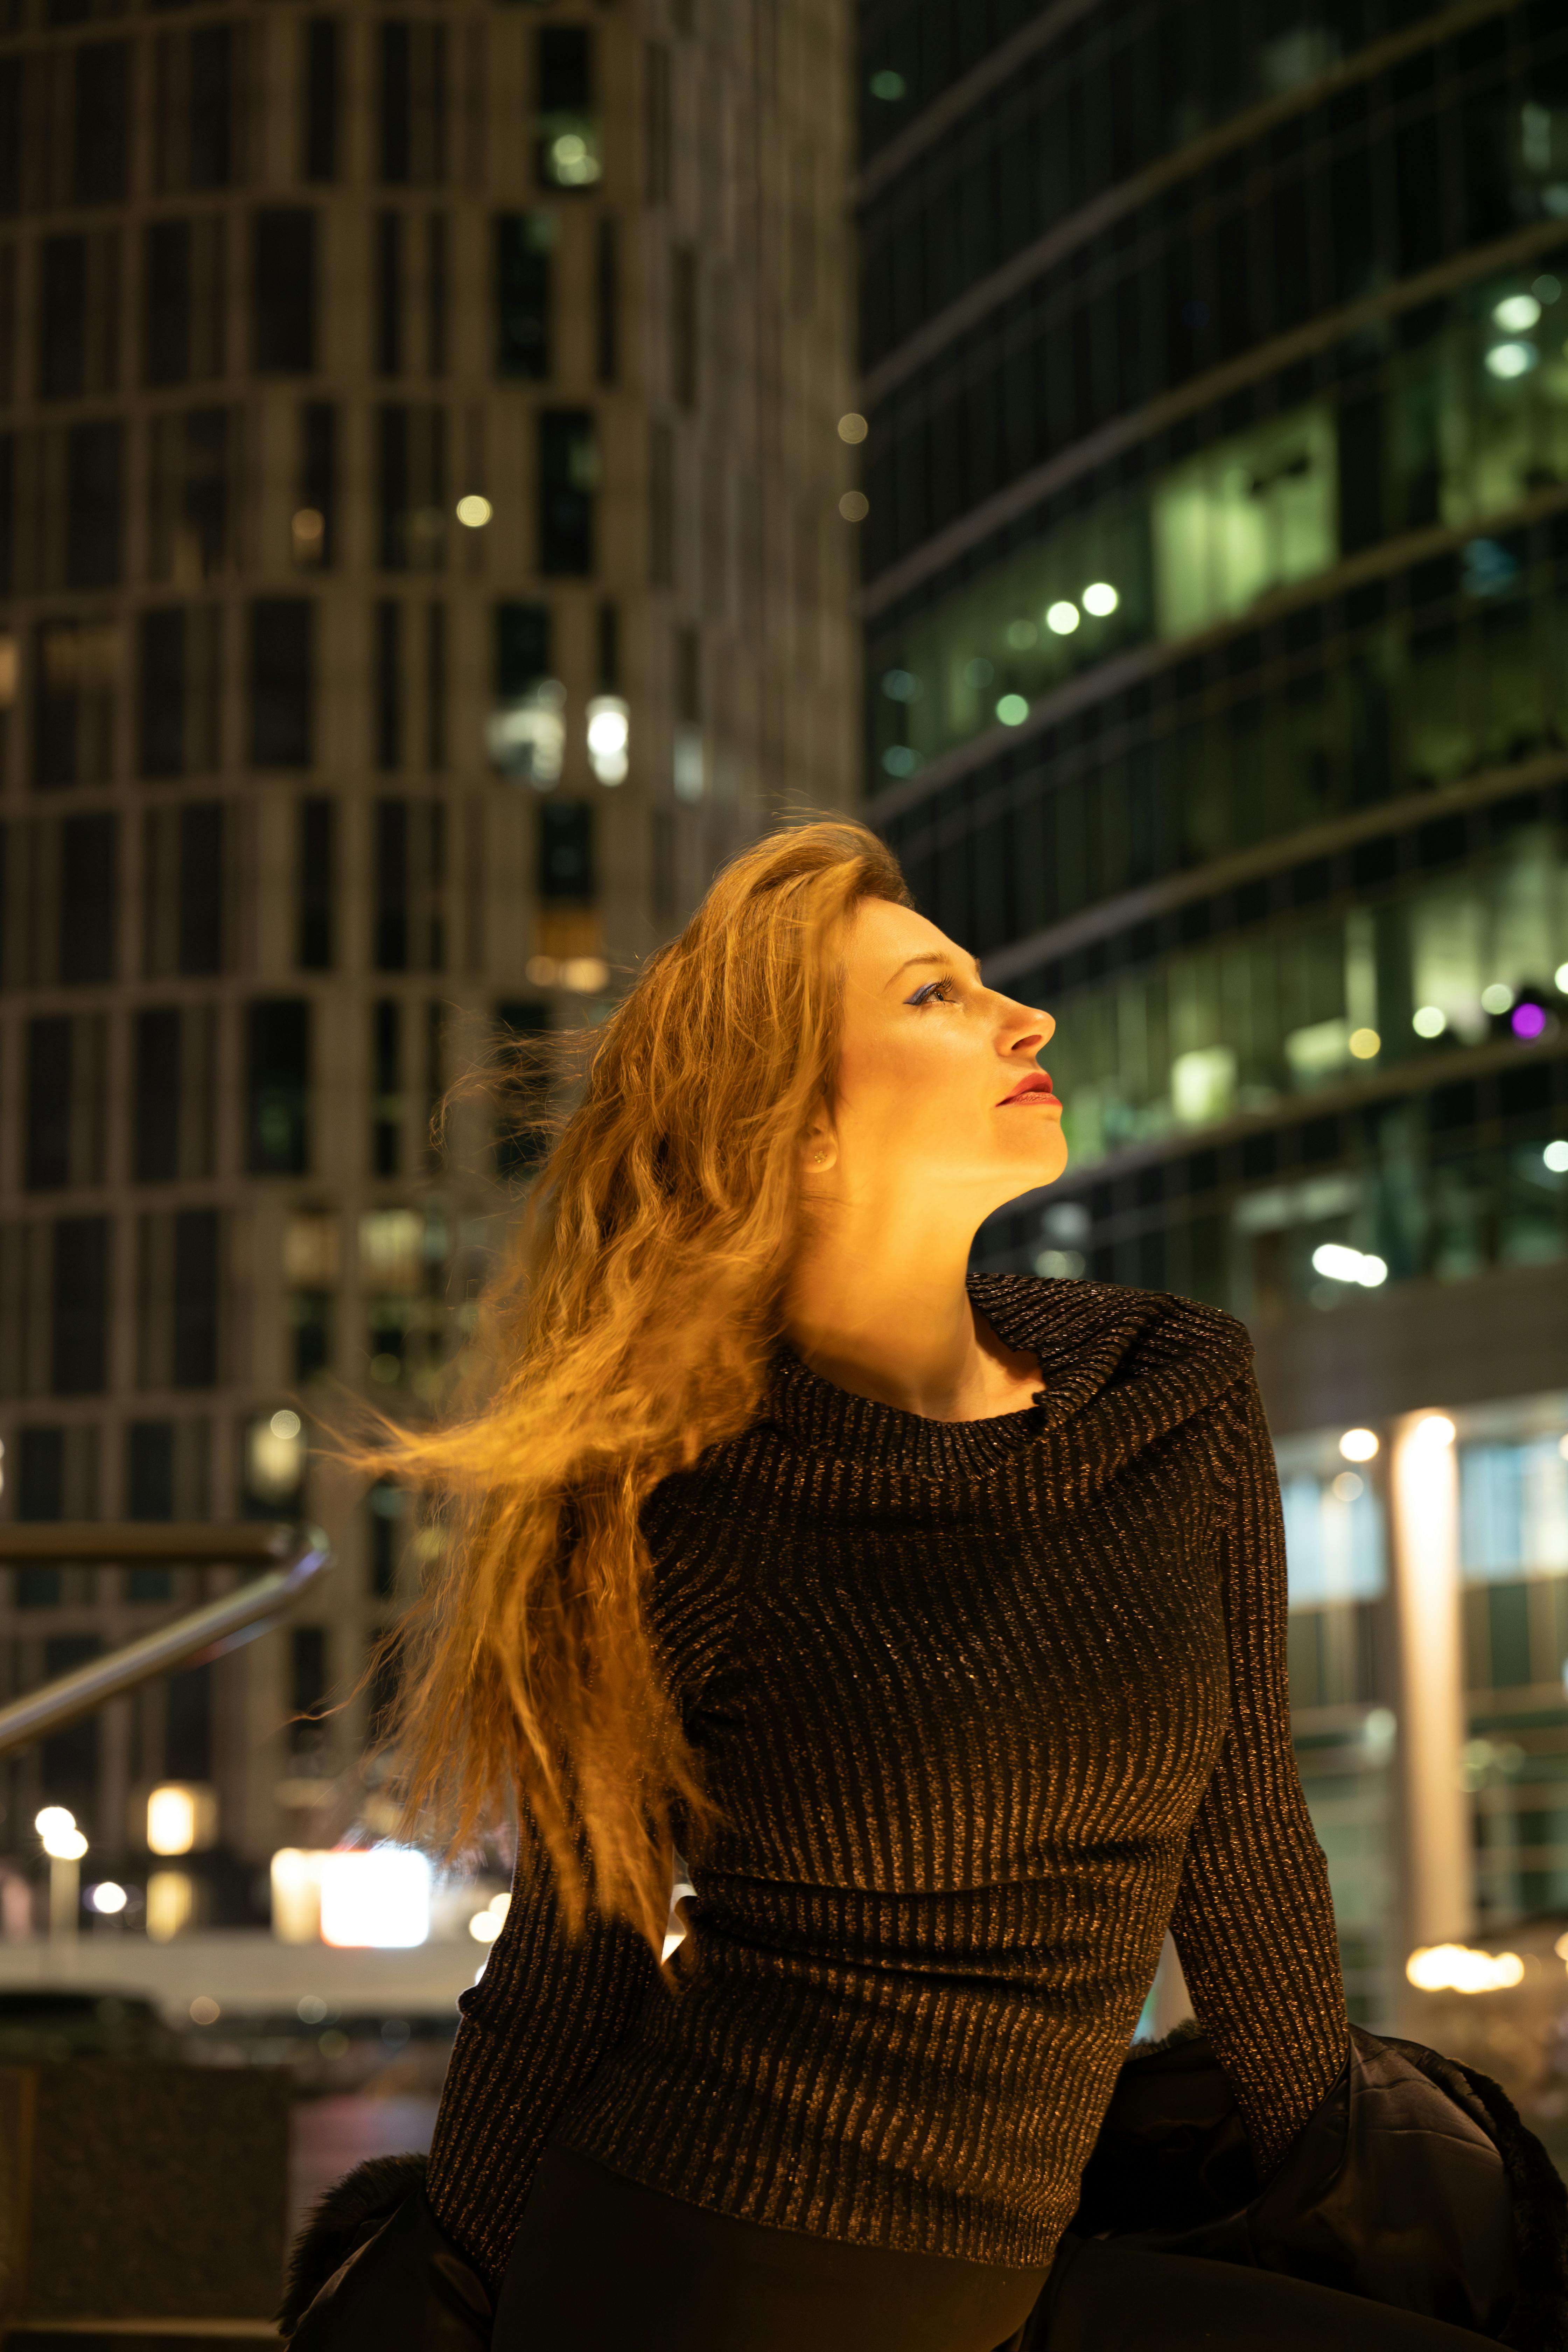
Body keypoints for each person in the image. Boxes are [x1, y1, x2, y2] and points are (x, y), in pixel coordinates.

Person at [283, 819, 1555, 2352]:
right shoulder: (686, 1497)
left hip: (1008, 2276)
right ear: (795, 1121)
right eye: (933, 997)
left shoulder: (1167, 1386)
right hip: (703, 2271)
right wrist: (448, 2298)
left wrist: (1350, 2206)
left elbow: (1249, 1850)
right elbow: (569, 1970)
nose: (1028, 1018)